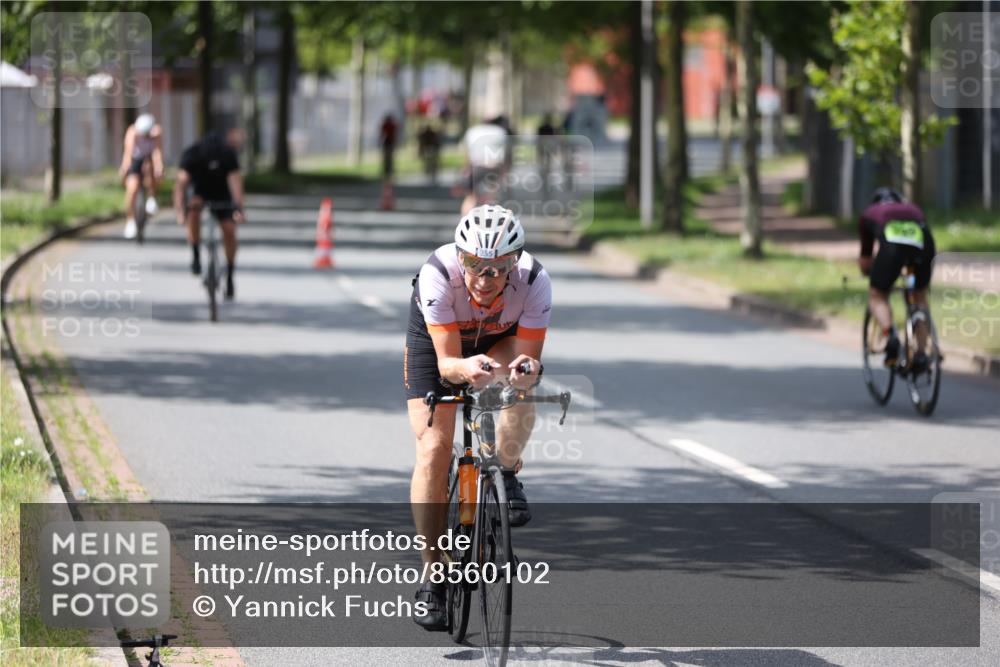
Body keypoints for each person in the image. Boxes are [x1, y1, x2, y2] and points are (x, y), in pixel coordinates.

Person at [405, 204, 550, 630]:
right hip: (442, 346)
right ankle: (433, 573)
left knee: (521, 382)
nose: (484, 280)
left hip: (500, 338)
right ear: (460, 258)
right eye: (474, 266)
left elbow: (528, 358)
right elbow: (449, 363)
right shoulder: (437, 273)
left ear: (514, 264)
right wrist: (465, 369)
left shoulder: (535, 281)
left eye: (498, 268)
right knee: (433, 449)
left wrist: (525, 372)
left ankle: (504, 473)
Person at [858, 187, 936, 373]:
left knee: (877, 295)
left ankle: (890, 335)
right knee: (919, 296)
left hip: (891, 248)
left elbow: (865, 260)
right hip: (924, 245)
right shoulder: (912, 208)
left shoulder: (869, 213)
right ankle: (921, 354)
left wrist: (872, 274)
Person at [172, 127, 246, 299]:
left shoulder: (227, 154)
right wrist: (180, 211)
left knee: (229, 230)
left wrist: (239, 209)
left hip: (222, 193)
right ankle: (196, 253)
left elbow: (235, 184)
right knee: (193, 212)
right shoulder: (192, 154)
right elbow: (180, 185)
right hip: (200, 191)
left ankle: (229, 274)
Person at [118, 113, 164, 239]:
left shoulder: (156, 132)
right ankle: (130, 219)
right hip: (136, 159)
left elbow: (157, 152)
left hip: (149, 159)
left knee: (153, 171)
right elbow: (128, 154)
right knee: (132, 189)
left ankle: (151, 197)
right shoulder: (132, 132)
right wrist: (125, 169)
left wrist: (159, 167)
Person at [457, 117, 509, 215]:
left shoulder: (472, 131)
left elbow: (467, 152)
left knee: (471, 197)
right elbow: (505, 155)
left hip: (477, 166)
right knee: (493, 197)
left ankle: (465, 222)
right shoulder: (500, 132)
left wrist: (466, 168)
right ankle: (491, 223)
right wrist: (504, 172)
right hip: (494, 167)